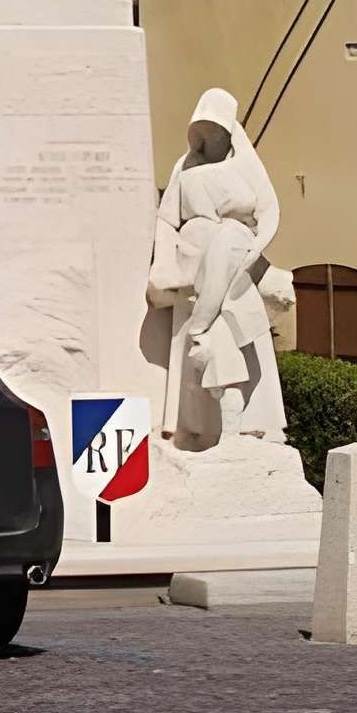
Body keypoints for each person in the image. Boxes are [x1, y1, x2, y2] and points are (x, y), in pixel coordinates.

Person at [149, 88, 288, 446]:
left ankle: (248, 420)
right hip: (192, 264)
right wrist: (163, 263)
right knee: (197, 340)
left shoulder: (245, 164)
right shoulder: (185, 167)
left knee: (232, 328)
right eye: (204, 129)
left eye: (217, 130)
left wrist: (253, 251)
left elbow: (269, 213)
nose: (210, 137)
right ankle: (192, 427)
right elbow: (166, 220)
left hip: (233, 262)